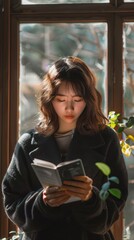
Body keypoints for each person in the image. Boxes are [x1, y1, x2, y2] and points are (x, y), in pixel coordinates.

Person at [2, 56, 128, 240]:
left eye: (77, 99)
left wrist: (90, 199)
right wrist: (42, 201)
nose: (69, 108)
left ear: (88, 99)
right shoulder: (28, 143)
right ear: (49, 99)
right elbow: (12, 202)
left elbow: (116, 200)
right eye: (61, 99)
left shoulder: (106, 138)